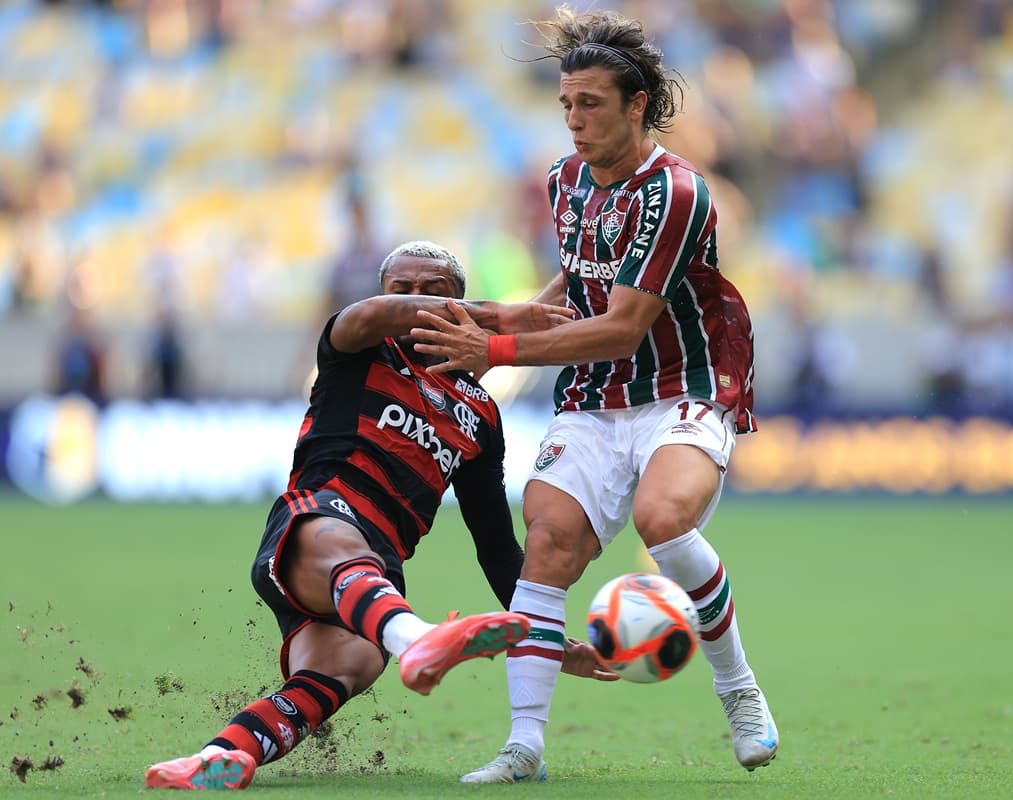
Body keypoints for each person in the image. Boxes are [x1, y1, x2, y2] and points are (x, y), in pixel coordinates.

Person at [409, 7, 778, 781]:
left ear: (636, 105)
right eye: (566, 105)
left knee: (663, 518)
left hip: (683, 383)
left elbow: (620, 326)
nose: (573, 120)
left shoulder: (675, 192)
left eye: (591, 104)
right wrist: (509, 314)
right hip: (595, 395)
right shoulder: (565, 181)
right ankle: (524, 746)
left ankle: (739, 690)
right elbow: (582, 281)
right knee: (547, 544)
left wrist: (495, 350)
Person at [145, 240, 613, 790]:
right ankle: (416, 640)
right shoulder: (359, 345)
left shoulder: (482, 416)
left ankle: (219, 756)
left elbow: (496, 548)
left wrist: (546, 637)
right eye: (403, 289)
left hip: (377, 577)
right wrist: (505, 316)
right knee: (343, 543)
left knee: (350, 665)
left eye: (434, 291)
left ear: (458, 303)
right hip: (315, 523)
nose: (417, 300)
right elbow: (372, 314)